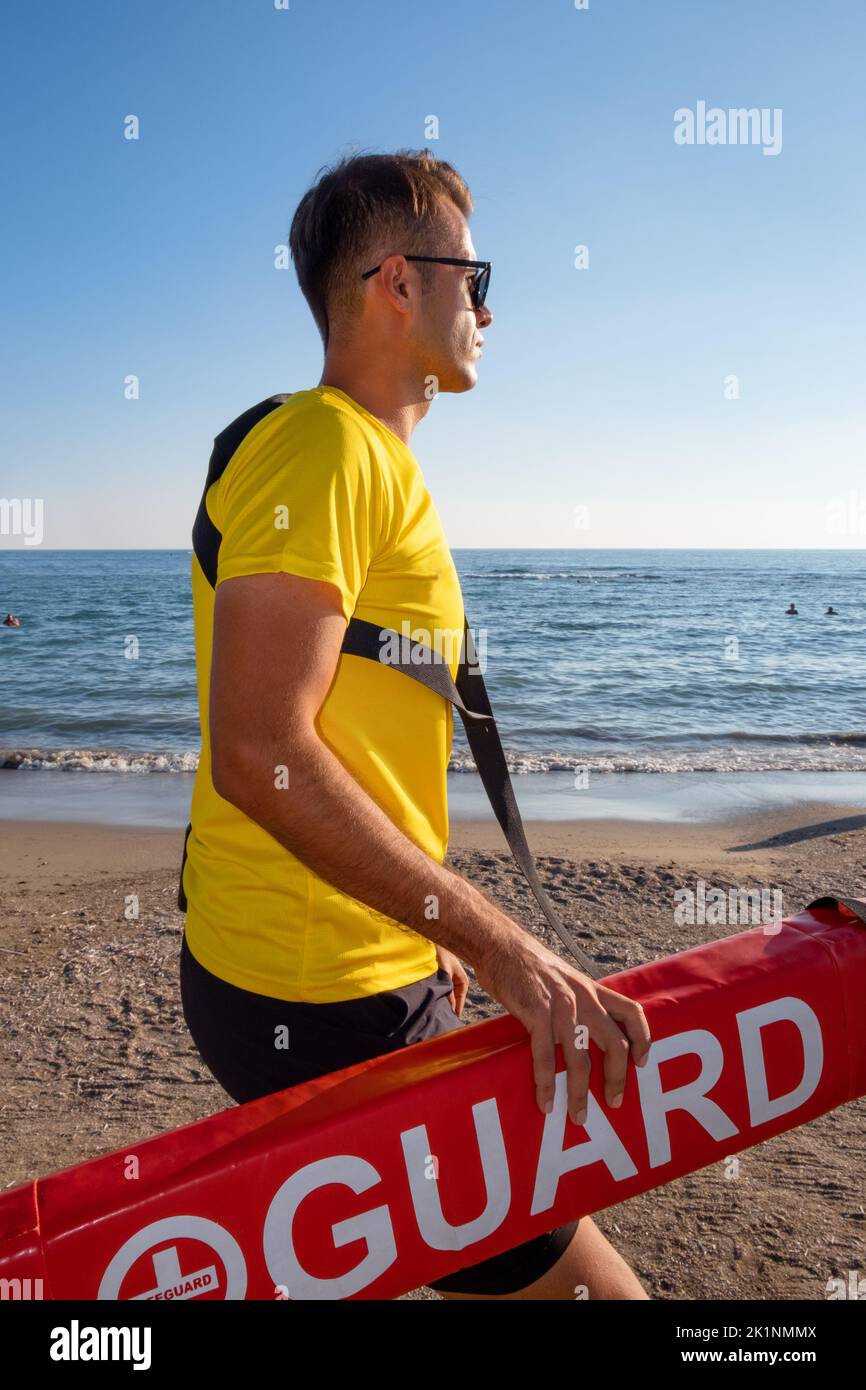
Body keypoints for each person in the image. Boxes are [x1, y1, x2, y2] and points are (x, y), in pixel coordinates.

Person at [180, 150, 650, 1301]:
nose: (488, 307)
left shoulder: (359, 457)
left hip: (335, 958)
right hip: (321, 991)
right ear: (398, 282)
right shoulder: (326, 447)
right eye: (471, 274)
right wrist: (503, 943)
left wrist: (426, 912)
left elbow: (348, 731)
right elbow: (261, 751)